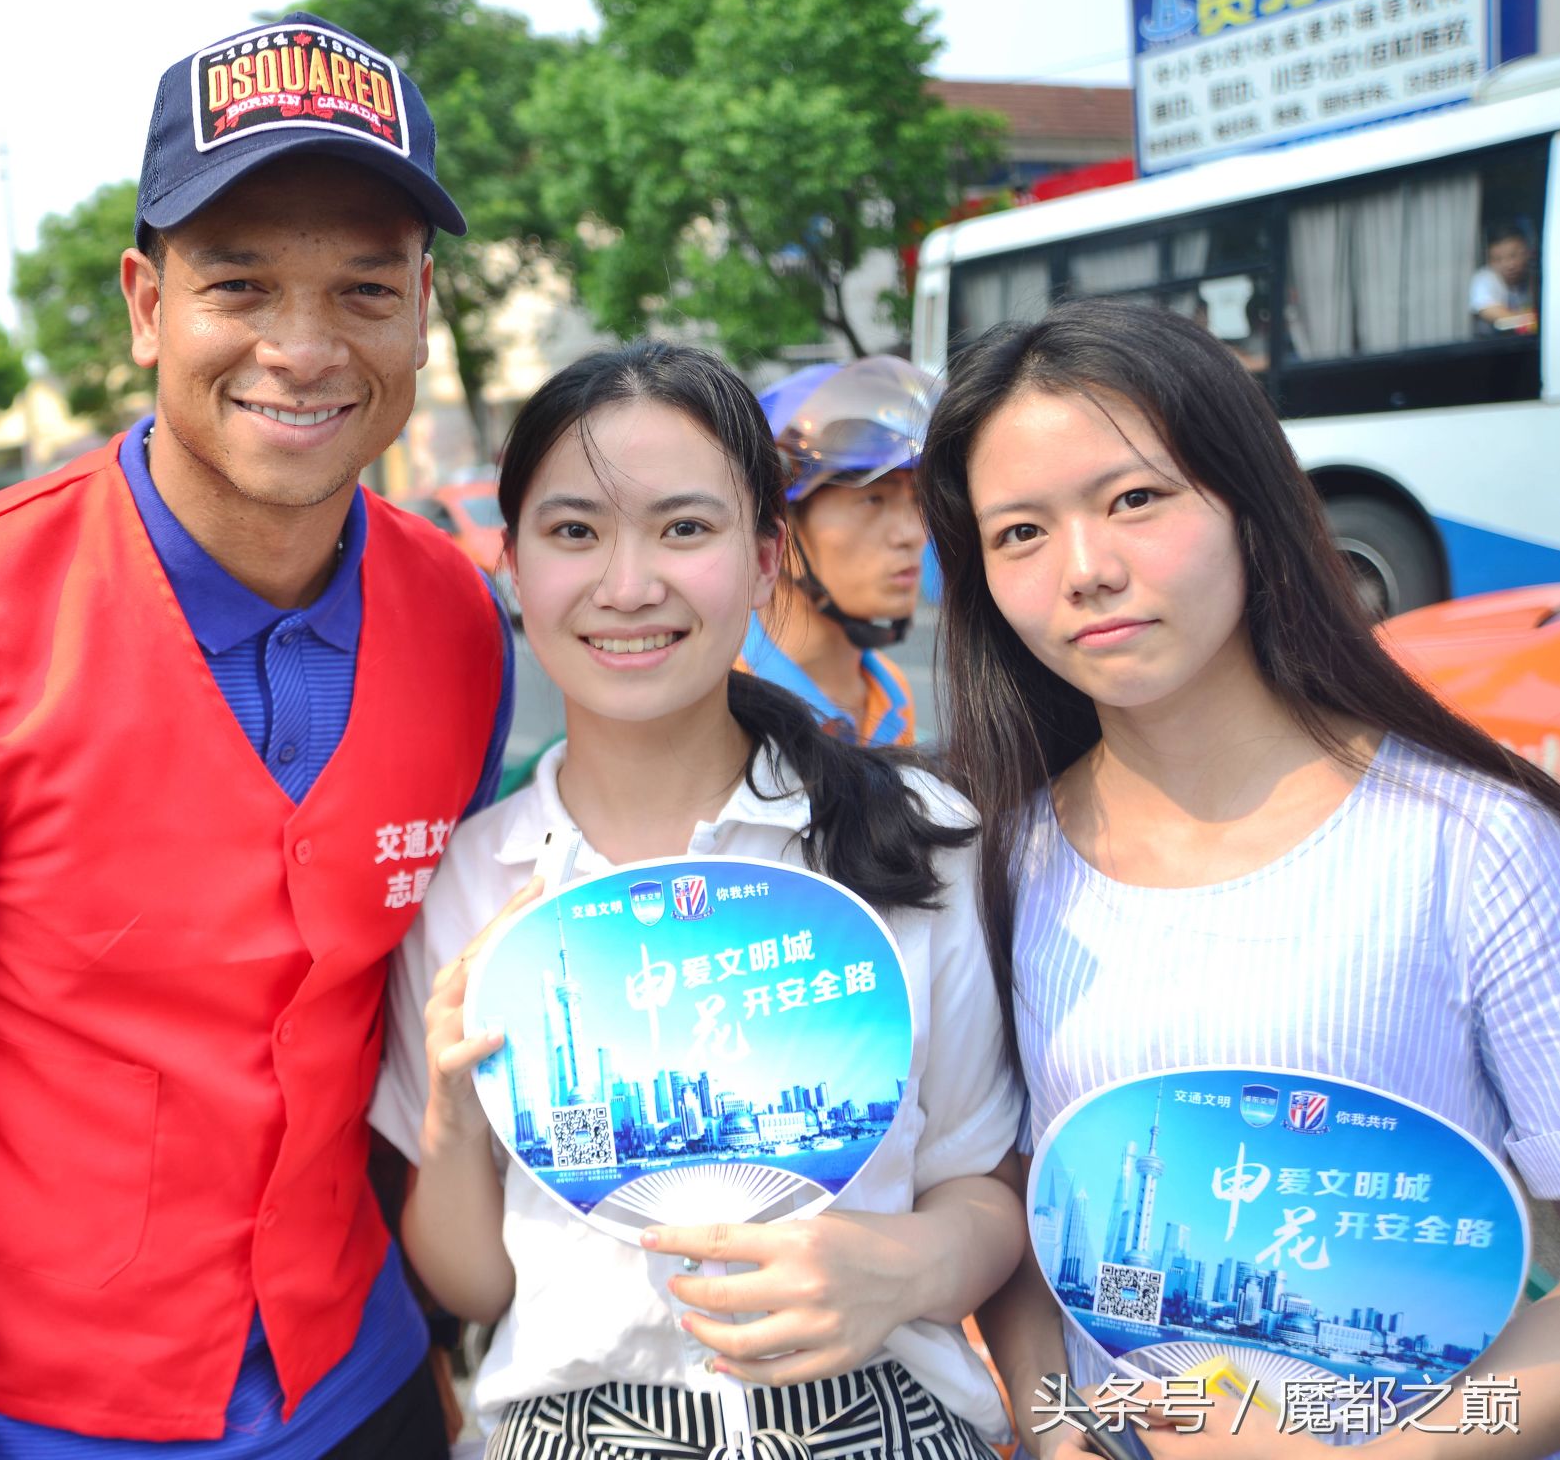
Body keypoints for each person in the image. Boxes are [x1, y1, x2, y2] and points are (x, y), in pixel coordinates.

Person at [0, 12, 515, 1459]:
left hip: (366, 1383)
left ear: (422, 310)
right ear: (147, 304)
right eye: (239, 284)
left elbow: (413, 1037)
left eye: (363, 287)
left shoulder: (460, 621)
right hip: (32, 1424)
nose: (302, 347)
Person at [919, 300, 1560, 1459]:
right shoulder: (994, 863)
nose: (1085, 570)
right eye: (1018, 533)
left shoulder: (1472, 838)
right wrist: (1058, 1427)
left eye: (1135, 500)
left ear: (1249, 508)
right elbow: (1015, 1208)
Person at [380, 341, 1026, 1460]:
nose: (627, 587)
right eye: (574, 531)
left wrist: (905, 1267)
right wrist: (446, 1120)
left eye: (684, 529)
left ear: (766, 555)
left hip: (880, 1415)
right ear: (511, 563)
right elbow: (474, 1283)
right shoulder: (471, 883)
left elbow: (980, 1180)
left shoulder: (912, 841)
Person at [742, 356, 940, 747]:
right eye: (873, 501)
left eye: (917, 502)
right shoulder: (717, 694)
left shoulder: (889, 693)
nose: (912, 535)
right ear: (777, 534)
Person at [1470, 229, 1538, 336]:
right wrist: (1533, 320)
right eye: (1498, 259)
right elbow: (1492, 313)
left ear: (1526, 253)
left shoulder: (1534, 277)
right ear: (1489, 261)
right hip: (1492, 347)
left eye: (1513, 256)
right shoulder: (1485, 278)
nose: (1509, 265)